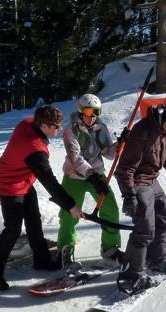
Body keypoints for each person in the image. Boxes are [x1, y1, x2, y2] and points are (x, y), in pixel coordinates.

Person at [0, 105, 84, 291]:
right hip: (9, 184)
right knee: (13, 229)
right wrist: (70, 205)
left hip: (23, 179)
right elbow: (49, 181)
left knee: (33, 220)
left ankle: (42, 260)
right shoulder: (35, 150)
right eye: (56, 126)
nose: (59, 129)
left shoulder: (28, 123)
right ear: (44, 125)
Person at [114, 97, 166, 294]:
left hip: (152, 179)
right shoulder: (143, 131)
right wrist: (129, 195)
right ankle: (132, 275)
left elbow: (164, 151)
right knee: (144, 229)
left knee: (165, 217)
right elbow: (124, 169)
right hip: (139, 182)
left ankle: (156, 259)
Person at [57, 94, 124, 271]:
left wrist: (120, 144)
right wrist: (91, 176)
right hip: (75, 176)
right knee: (69, 213)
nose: (92, 116)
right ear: (81, 111)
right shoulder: (70, 130)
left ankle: (110, 248)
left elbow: (108, 153)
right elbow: (75, 158)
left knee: (110, 208)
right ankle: (65, 250)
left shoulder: (101, 127)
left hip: (96, 174)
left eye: (96, 112)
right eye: (88, 111)